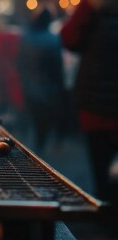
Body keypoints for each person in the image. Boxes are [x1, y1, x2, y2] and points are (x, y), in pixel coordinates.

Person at [60, 0, 118, 200]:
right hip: (95, 109)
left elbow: (68, 38)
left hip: (95, 107)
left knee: (101, 171)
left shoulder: (94, 10)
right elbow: (68, 39)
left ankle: (106, 216)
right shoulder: (93, 11)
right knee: (101, 171)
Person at [17, 4, 65, 153]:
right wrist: (60, 85)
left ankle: (24, 145)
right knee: (43, 121)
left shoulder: (26, 36)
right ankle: (39, 147)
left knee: (29, 116)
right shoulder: (53, 40)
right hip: (47, 87)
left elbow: (20, 62)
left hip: (29, 84)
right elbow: (57, 67)